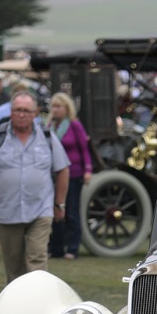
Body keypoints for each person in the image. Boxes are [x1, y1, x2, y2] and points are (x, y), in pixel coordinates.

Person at [0, 91, 70, 284]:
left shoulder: (47, 136)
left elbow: (63, 169)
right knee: (14, 267)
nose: (22, 114)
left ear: (35, 113)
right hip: (7, 212)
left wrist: (59, 204)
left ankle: (38, 305)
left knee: (37, 260)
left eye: (26, 110)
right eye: (18, 110)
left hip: (40, 210)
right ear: (11, 112)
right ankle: (17, 308)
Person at [46, 92, 93, 260]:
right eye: (53, 106)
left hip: (73, 174)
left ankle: (72, 248)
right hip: (53, 175)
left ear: (67, 109)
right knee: (55, 210)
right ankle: (56, 248)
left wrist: (88, 170)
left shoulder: (74, 125)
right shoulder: (50, 126)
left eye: (58, 106)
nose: (55, 110)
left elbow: (84, 149)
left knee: (71, 211)